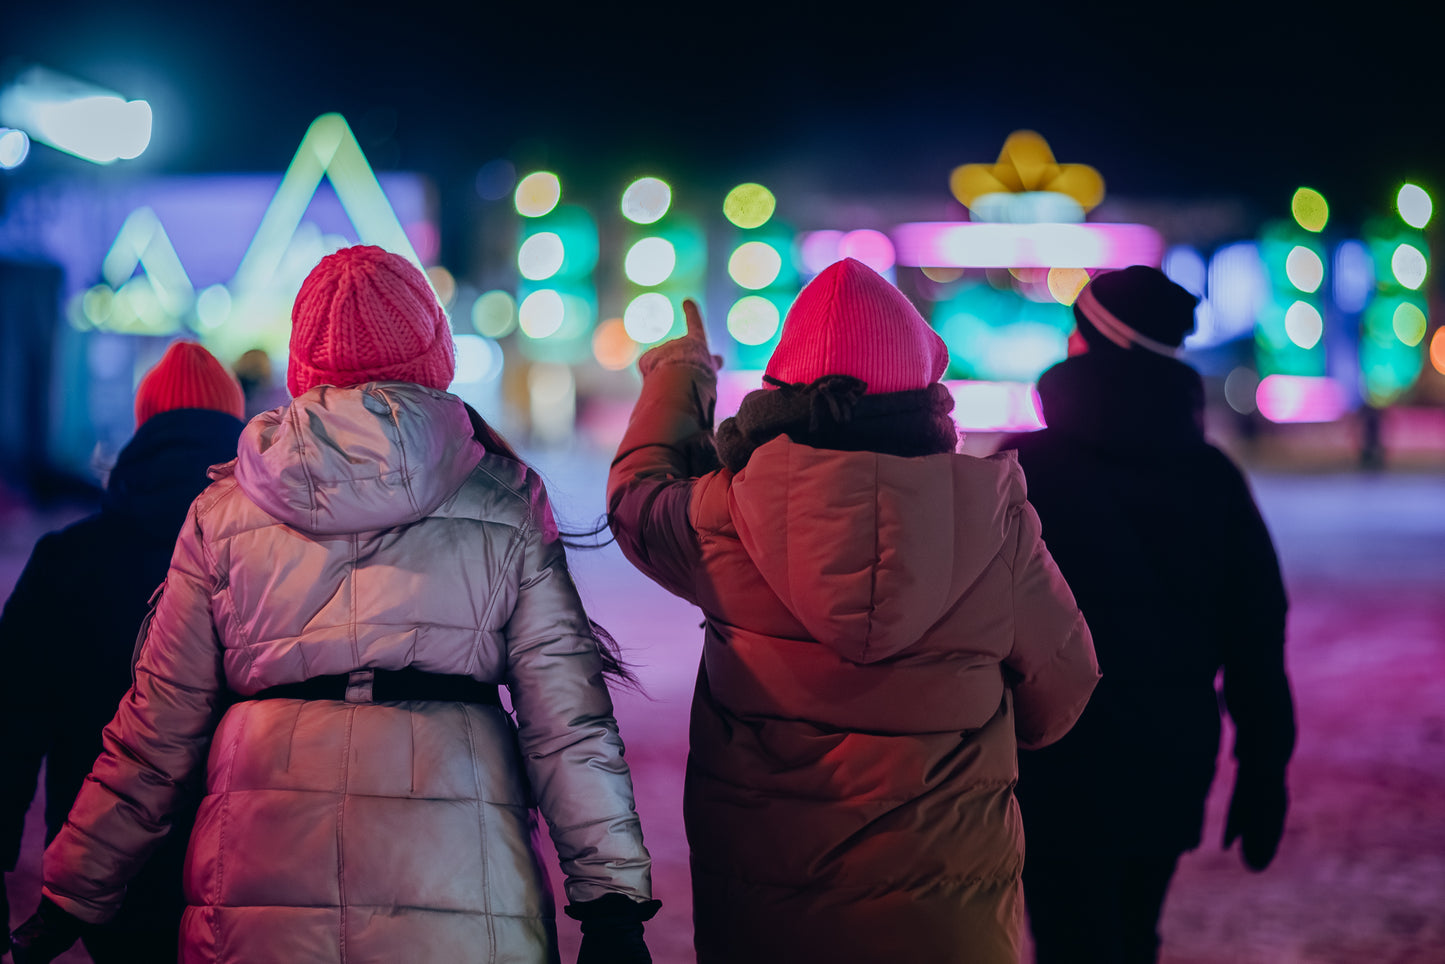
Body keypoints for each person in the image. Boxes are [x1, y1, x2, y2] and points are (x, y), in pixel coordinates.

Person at [11, 245, 659, 963]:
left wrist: (75, 886)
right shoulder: (503, 501)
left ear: (303, 366)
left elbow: (156, 729)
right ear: (433, 356)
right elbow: (566, 724)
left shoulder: (223, 511)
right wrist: (611, 906)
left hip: (259, 887)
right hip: (458, 889)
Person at [606, 257, 1101, 963]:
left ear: (784, 389)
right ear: (925, 395)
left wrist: (679, 377)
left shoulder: (724, 515)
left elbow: (636, 498)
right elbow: (1062, 695)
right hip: (947, 927)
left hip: (768, 923)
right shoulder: (992, 520)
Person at [1005, 265, 1296, 963]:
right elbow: (1256, 635)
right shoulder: (1210, 478)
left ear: (1087, 344)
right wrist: (1263, 769)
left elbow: (967, 623)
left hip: (1046, 759)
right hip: (1168, 760)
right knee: (1133, 934)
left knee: (1063, 934)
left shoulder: (1021, 469)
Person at [1, 341, 247, 962]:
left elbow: (10, 725)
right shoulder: (275, 559)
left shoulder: (67, 559)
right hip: (248, 864)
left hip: (104, 879)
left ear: (144, 428)